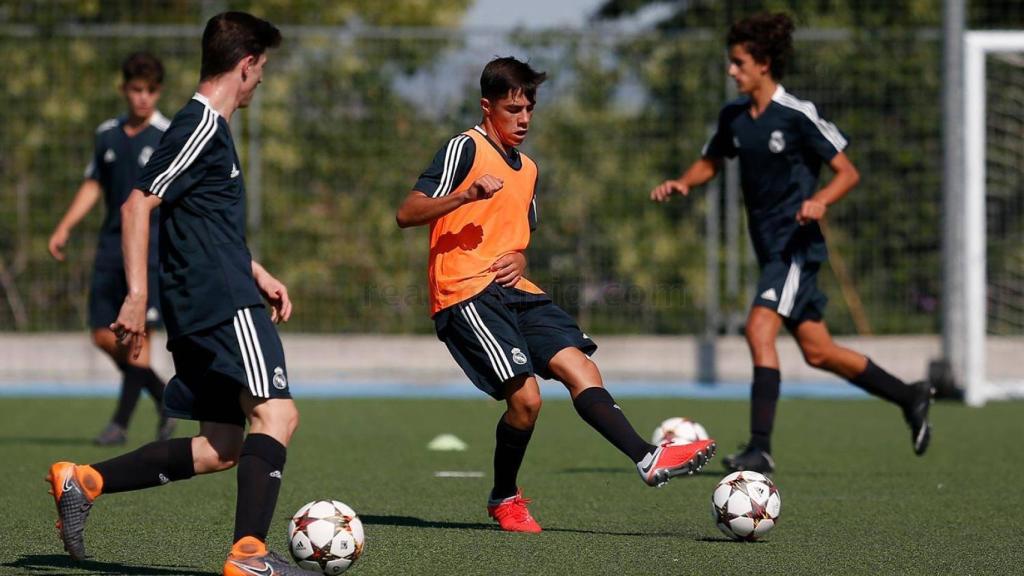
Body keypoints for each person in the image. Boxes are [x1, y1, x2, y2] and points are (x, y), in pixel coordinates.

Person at [46, 12, 319, 575]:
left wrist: (257, 270)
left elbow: (202, 223)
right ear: (245, 66)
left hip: (208, 299)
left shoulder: (204, 129)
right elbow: (136, 204)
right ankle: (249, 558)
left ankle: (85, 480)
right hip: (221, 306)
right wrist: (134, 297)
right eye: (261, 68)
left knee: (221, 444)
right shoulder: (200, 125)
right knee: (278, 416)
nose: (261, 80)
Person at [397, 56, 716, 533]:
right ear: (487, 107)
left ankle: (648, 459)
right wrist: (464, 196)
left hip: (516, 289)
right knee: (526, 402)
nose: (522, 120)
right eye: (512, 110)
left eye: (528, 109)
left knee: (580, 366)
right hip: (465, 293)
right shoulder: (464, 149)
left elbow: (517, 236)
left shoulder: (528, 169)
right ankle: (505, 497)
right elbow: (408, 211)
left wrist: (521, 259)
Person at [649, 12, 934, 474]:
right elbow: (711, 161)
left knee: (758, 329)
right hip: (770, 249)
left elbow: (848, 172)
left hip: (795, 246)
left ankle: (759, 447)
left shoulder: (797, 115)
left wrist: (820, 200)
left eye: (738, 63)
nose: (731, 71)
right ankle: (909, 395)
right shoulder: (734, 117)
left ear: (763, 63)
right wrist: (684, 183)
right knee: (818, 350)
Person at [49, 52, 175, 446]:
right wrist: (65, 226)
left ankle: (119, 424)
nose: (143, 98)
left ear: (159, 91)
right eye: (136, 89)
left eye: (151, 90)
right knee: (103, 336)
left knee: (138, 340)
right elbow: (93, 184)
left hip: (149, 252)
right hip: (109, 248)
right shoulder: (107, 133)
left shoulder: (168, 135)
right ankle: (164, 396)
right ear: (124, 90)